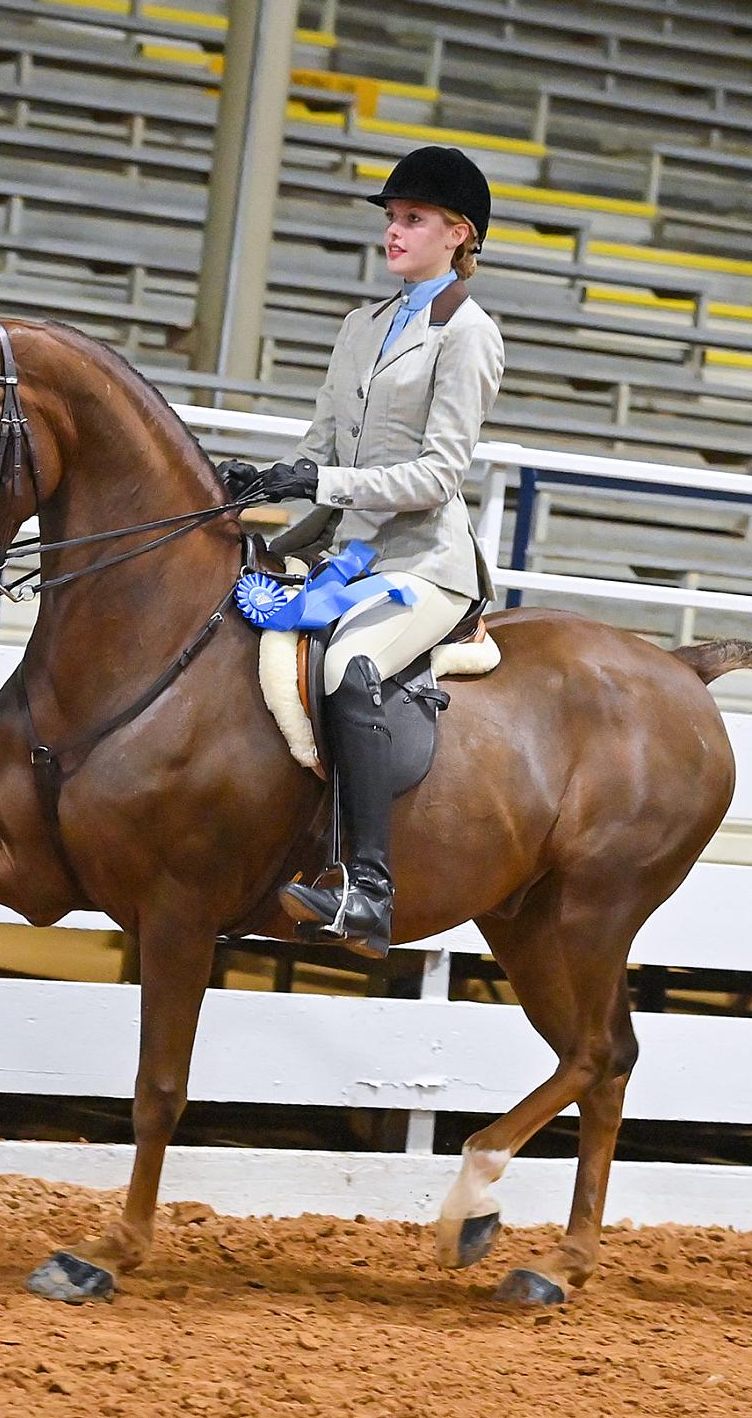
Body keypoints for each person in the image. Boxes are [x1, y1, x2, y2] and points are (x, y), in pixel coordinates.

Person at [219, 146, 506, 960]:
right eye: (391, 217)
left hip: (421, 565)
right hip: (342, 551)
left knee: (349, 666)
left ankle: (368, 887)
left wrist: (324, 478)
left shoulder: (468, 336)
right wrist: (265, 485)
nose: (394, 231)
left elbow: (439, 474)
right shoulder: (362, 327)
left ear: (458, 234)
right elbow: (321, 447)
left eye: (412, 218)